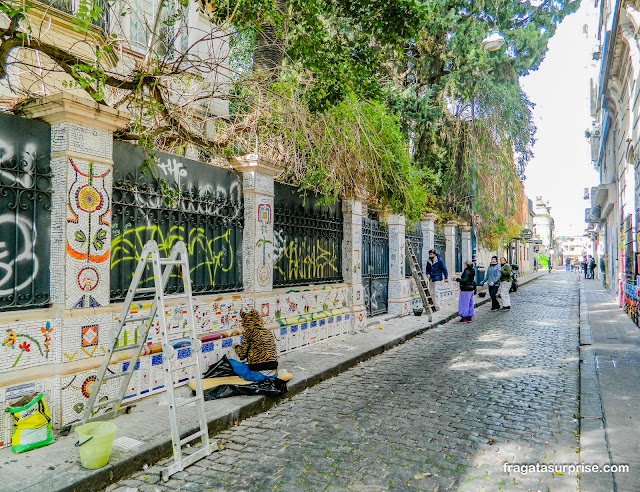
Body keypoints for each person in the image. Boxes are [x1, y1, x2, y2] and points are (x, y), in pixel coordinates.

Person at [230, 309, 278, 382]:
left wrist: (236, 347)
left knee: (230, 362)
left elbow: (242, 355)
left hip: (258, 375)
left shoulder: (249, 333)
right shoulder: (268, 332)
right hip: (273, 374)